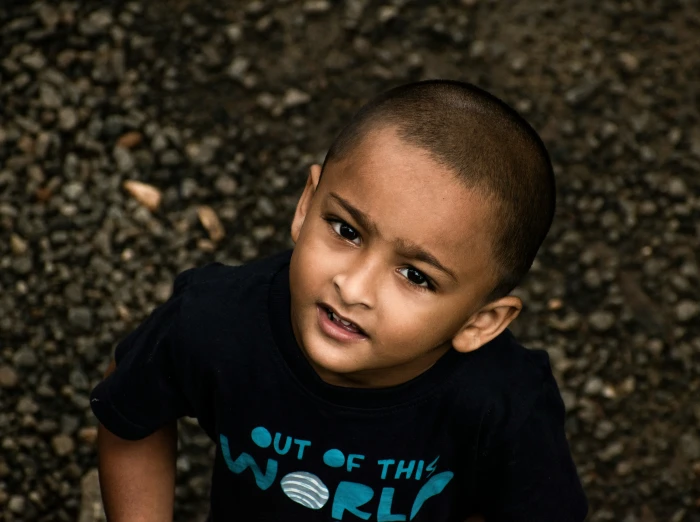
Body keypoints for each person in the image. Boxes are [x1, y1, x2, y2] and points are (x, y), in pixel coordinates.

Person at [91, 79, 588, 521]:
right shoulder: (214, 320)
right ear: (307, 205)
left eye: (415, 275)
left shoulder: (505, 403)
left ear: (481, 322)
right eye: (346, 230)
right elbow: (129, 412)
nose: (353, 288)